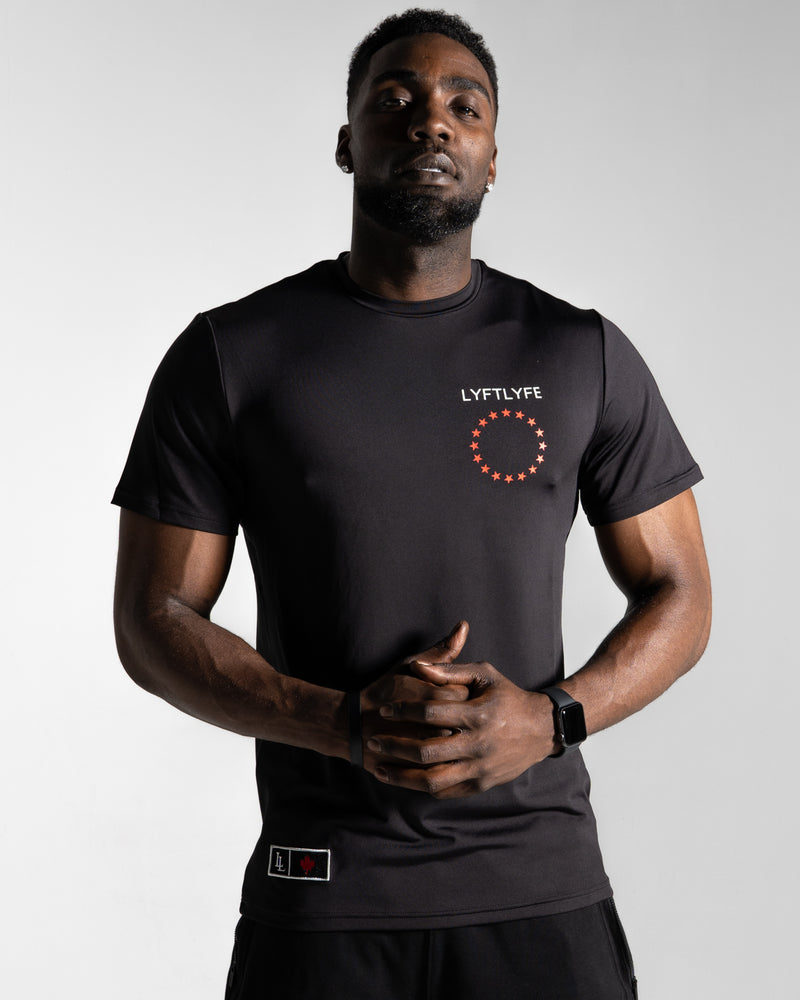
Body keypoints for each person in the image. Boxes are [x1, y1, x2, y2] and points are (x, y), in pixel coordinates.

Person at [112, 9, 711, 999]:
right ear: (346, 142)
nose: (430, 120)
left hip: (539, 894)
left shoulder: (579, 353)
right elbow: (151, 620)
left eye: (463, 106)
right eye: (393, 100)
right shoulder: (231, 355)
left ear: (491, 157)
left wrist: (550, 720)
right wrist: (344, 724)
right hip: (323, 897)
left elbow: (681, 592)